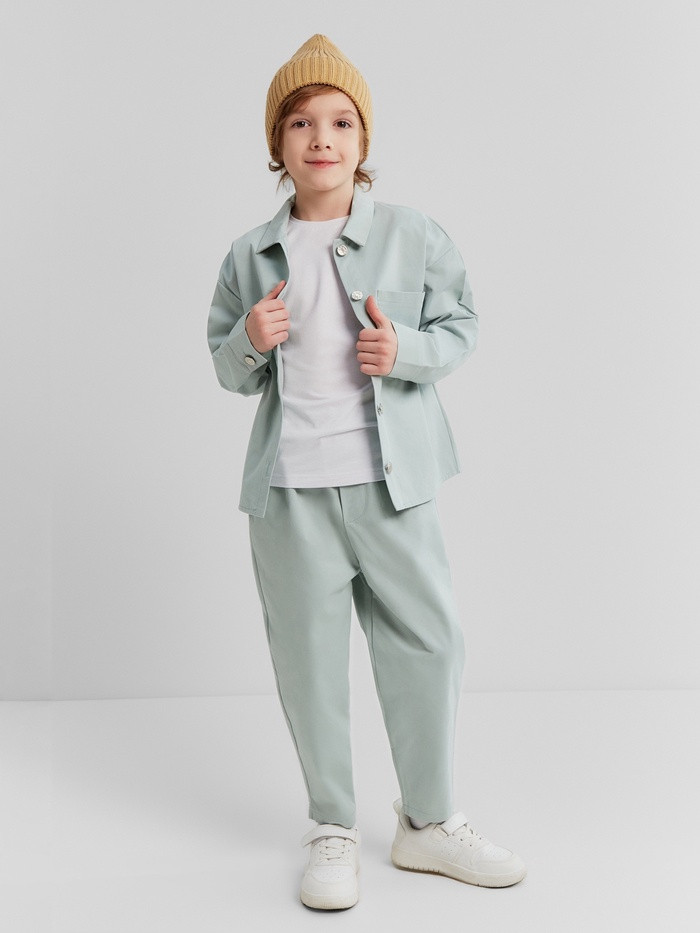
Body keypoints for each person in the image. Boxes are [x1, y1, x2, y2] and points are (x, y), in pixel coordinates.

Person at [207, 34, 526, 910]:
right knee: (309, 663)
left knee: (429, 641)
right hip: (289, 495)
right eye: (301, 122)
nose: (322, 137)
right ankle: (333, 827)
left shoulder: (413, 235)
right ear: (277, 145)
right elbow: (227, 368)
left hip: (395, 487)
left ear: (364, 139)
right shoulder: (249, 255)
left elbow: (462, 325)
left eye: (341, 121)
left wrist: (406, 350)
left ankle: (428, 821)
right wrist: (250, 340)